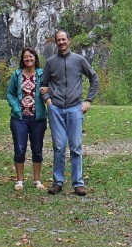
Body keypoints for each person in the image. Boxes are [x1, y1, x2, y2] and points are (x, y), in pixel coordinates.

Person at [39, 30, 99, 196]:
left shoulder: (79, 60)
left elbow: (94, 78)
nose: (61, 42)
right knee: (59, 146)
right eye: (58, 40)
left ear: (69, 40)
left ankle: (78, 183)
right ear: (55, 43)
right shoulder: (51, 62)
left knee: (75, 146)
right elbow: (43, 85)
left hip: (75, 108)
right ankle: (58, 182)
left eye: (63, 39)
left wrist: (88, 100)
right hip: (56, 108)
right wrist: (48, 102)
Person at [6, 47, 48, 191]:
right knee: (19, 148)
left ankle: (37, 180)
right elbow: (10, 93)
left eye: (31, 56)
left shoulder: (42, 74)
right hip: (19, 118)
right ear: (22, 60)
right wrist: (16, 107)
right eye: (25, 57)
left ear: (35, 58)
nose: (28, 59)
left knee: (37, 149)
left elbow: (50, 88)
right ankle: (19, 180)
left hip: (38, 118)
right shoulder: (17, 74)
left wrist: (48, 92)